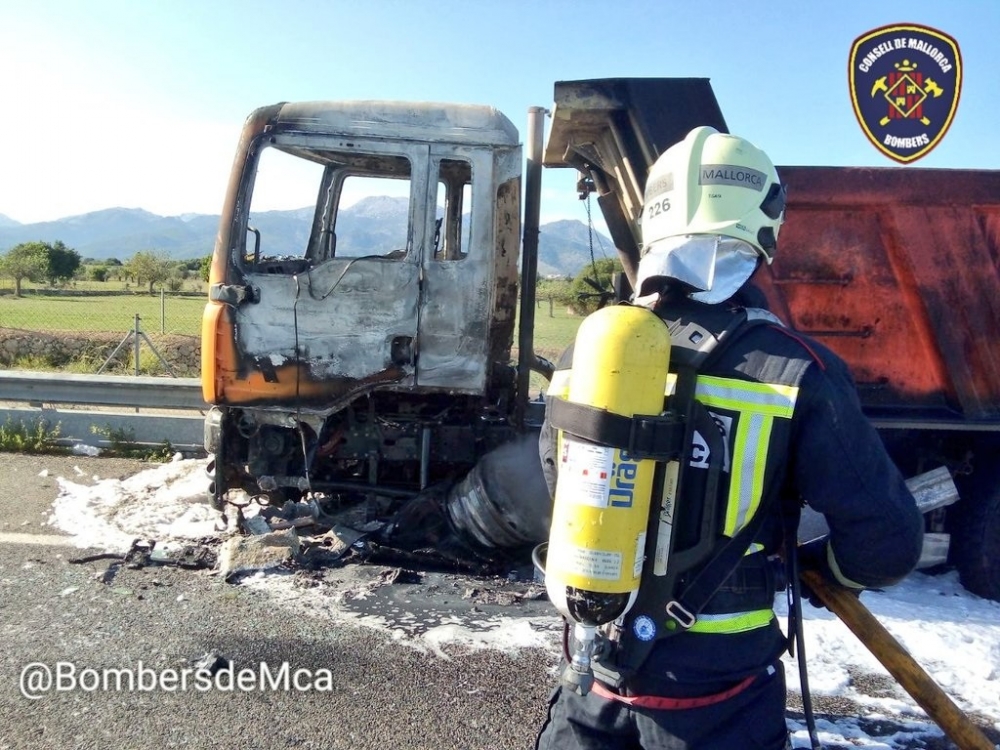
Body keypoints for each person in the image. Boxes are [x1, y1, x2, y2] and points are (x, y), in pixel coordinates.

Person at [534, 126, 924, 750]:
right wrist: (826, 570)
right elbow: (888, 541)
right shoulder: (797, 369)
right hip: (718, 699)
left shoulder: (591, 349)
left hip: (594, 673)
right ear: (763, 226)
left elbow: (557, 476)